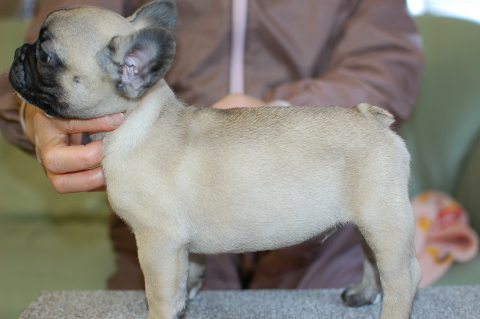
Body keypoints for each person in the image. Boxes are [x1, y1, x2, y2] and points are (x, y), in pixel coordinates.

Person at [0, 0, 423, 290]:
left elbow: (387, 61)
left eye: (45, 57)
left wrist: (279, 117)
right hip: (163, 200)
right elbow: (66, 33)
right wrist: (33, 114)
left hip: (311, 203)